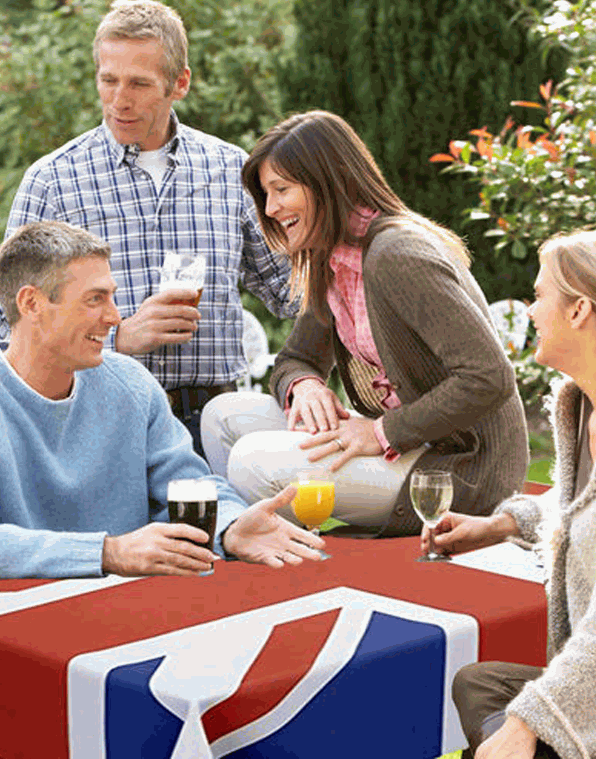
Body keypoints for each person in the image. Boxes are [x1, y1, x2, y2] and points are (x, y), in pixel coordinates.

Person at [0, 221, 323, 581]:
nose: (115, 317)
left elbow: (190, 484)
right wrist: (110, 553)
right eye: (95, 299)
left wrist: (231, 527)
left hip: (115, 618)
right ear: (32, 304)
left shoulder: (129, 382)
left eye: (111, 298)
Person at [0, 0, 296, 456]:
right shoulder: (53, 181)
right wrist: (119, 338)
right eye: (108, 80)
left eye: (138, 83)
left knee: (224, 530)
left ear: (180, 83)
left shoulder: (232, 170)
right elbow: (7, 324)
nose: (119, 100)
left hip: (212, 424)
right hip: (98, 421)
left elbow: (292, 291)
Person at [201, 110, 529, 536]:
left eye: (281, 189)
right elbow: (295, 358)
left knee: (252, 461)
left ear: (328, 182)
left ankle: (292, 565)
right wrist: (306, 385)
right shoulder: (331, 259)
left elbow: (489, 376)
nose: (270, 208)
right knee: (223, 415)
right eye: (266, 193)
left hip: (460, 464)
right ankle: (286, 550)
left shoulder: (398, 255)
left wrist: (383, 432)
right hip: (406, 444)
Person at [431, 230, 596, 759]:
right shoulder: (580, 407)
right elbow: (580, 508)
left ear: (579, 311)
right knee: (479, 683)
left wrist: (531, 722)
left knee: (511, 720)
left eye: (539, 294)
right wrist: (499, 525)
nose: (529, 310)